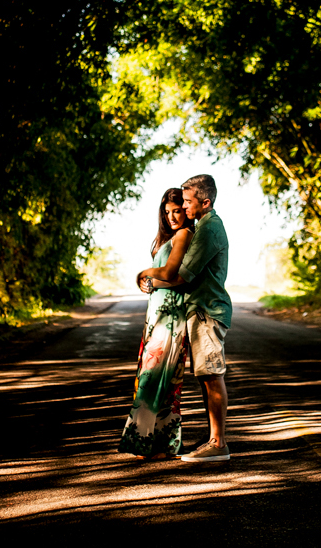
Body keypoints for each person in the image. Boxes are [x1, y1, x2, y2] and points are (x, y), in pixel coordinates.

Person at [136, 173, 231, 462]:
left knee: (212, 376)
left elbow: (180, 275)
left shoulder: (208, 229)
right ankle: (214, 439)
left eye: (187, 202)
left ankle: (218, 444)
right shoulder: (204, 225)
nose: (184, 208)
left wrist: (146, 276)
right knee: (206, 376)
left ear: (205, 202)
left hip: (207, 311)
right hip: (199, 310)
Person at [118, 188, 195, 458]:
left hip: (171, 316)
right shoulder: (167, 237)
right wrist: (152, 284)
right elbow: (167, 279)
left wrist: (144, 273)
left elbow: (171, 272)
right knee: (150, 377)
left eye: (177, 210)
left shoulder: (185, 234)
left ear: (185, 210)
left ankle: (148, 443)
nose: (173, 216)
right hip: (156, 315)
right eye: (167, 212)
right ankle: (160, 444)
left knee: (157, 379)